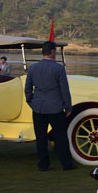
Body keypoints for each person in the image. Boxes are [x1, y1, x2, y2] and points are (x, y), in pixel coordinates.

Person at [24, 41, 74, 171]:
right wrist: (68, 107)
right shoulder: (59, 68)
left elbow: (28, 88)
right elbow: (64, 90)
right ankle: (66, 164)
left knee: (40, 137)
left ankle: (43, 164)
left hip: (38, 107)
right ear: (52, 51)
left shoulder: (33, 68)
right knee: (61, 137)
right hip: (55, 107)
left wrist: (31, 102)